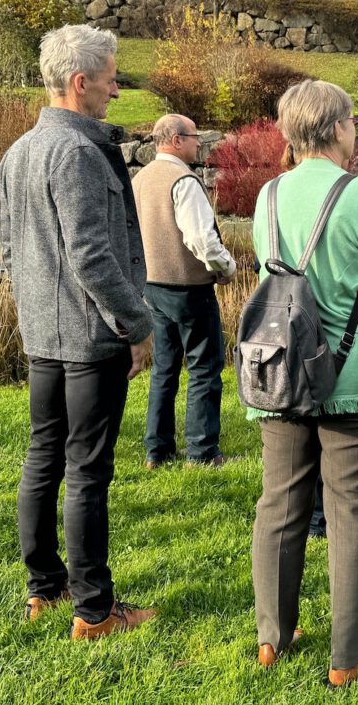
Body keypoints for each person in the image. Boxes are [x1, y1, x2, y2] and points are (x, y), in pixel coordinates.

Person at [247, 79, 358, 688]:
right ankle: (347, 656)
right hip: (350, 370)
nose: (355, 130)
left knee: (281, 504)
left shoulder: (268, 194)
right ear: (337, 127)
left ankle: (274, 637)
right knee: (351, 511)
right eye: (352, 120)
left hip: (281, 368)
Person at [0, 24, 157, 640]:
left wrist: (37, 308)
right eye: (113, 78)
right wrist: (136, 324)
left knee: (44, 459)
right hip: (89, 339)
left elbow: (10, 249)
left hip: (44, 334)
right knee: (86, 470)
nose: (118, 90)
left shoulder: (20, 150)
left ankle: (45, 588)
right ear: (81, 82)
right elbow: (93, 257)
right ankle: (93, 610)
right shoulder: (78, 153)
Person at [132, 113, 235, 469]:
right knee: (205, 367)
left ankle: (157, 451)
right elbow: (201, 239)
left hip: (152, 285)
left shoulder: (140, 178)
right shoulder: (184, 180)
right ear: (176, 140)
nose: (199, 143)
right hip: (189, 288)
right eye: (194, 137)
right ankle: (203, 451)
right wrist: (225, 268)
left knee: (164, 368)